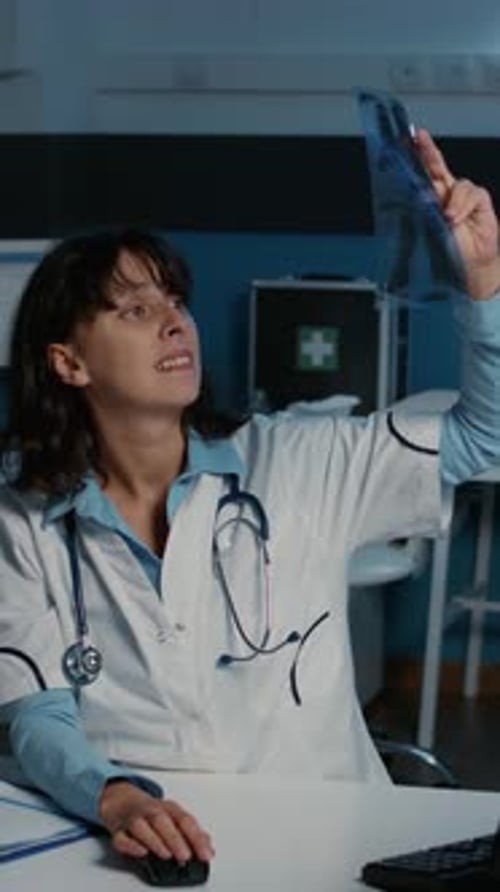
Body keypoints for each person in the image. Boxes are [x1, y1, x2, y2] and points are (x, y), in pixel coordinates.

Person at [1, 130, 500, 870]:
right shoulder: (23, 517)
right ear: (68, 363)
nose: (175, 322)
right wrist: (115, 796)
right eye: (134, 311)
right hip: (154, 844)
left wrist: (484, 285)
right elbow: (37, 710)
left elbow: (484, 437)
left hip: (326, 836)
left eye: (174, 301)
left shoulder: (299, 458)